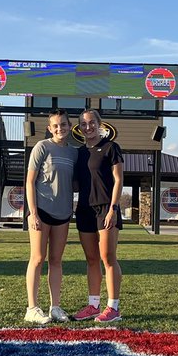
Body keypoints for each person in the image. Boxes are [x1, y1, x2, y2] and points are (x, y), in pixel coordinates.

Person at [23, 110, 78, 325]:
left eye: (63, 124)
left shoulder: (74, 152)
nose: (59, 128)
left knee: (56, 260)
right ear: (49, 128)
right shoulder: (42, 147)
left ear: (69, 126)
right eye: (55, 125)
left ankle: (55, 307)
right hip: (41, 211)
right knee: (37, 258)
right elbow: (30, 182)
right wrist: (33, 212)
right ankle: (32, 308)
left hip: (63, 213)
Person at [72, 108, 125, 323]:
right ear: (79, 128)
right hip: (84, 210)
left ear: (99, 124)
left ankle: (113, 308)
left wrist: (113, 208)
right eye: (84, 124)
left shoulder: (111, 147)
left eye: (92, 122)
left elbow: (119, 180)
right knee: (91, 259)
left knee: (108, 258)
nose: (88, 127)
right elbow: (75, 183)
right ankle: (93, 306)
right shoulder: (79, 153)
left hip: (106, 209)